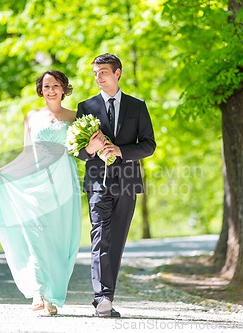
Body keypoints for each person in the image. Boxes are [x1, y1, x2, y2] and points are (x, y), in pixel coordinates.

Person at [0, 70, 81, 316]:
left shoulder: (75, 116)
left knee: (58, 237)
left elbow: (83, 148)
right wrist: (4, 171)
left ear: (63, 88)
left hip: (63, 181)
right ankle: (39, 292)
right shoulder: (31, 117)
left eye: (55, 85)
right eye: (46, 86)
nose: (51, 90)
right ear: (41, 89)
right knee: (35, 233)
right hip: (35, 182)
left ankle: (54, 294)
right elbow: (27, 153)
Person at [75, 53, 156, 317]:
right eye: (96, 73)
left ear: (117, 73)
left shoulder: (137, 107)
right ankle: (102, 298)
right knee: (100, 236)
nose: (98, 77)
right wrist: (90, 148)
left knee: (117, 239)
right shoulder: (86, 107)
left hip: (128, 182)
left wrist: (121, 151)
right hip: (98, 182)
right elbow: (79, 152)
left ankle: (108, 294)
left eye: (103, 72)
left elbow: (148, 145)